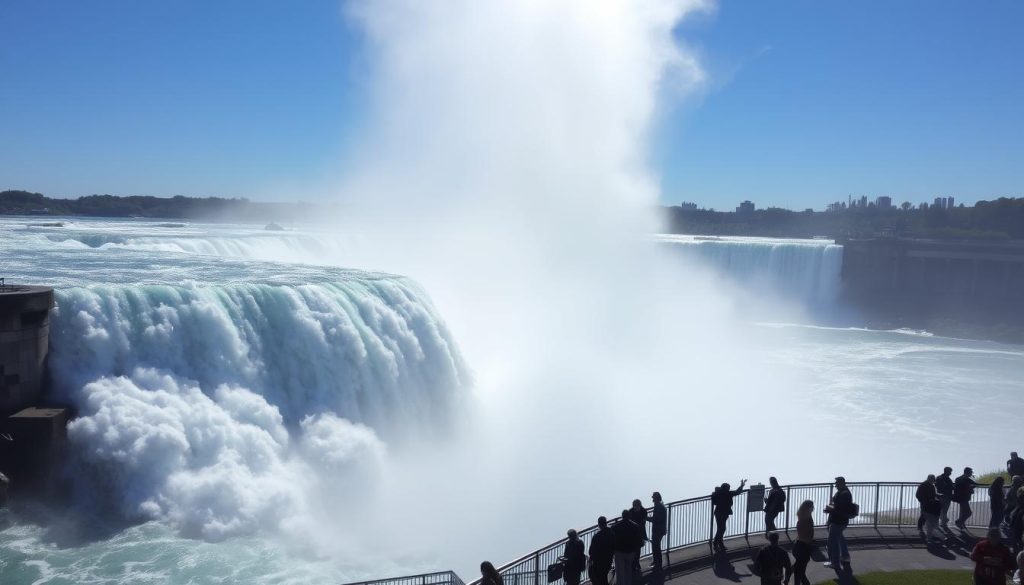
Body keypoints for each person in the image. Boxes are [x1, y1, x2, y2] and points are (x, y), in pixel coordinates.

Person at [823, 476, 855, 574]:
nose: (835, 485)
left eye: (836, 483)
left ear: (841, 483)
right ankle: (845, 557)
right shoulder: (843, 492)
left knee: (832, 542)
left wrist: (830, 510)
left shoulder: (844, 494)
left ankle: (835, 563)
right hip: (839, 520)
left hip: (838, 521)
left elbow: (840, 509)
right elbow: (838, 506)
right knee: (839, 538)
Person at [711, 479, 747, 551]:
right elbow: (737, 492)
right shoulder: (727, 493)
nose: (729, 489)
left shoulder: (717, 493)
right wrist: (742, 485)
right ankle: (716, 543)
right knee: (721, 529)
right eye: (728, 488)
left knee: (721, 528)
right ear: (726, 488)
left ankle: (719, 544)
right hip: (723, 513)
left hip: (718, 512)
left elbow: (714, 501)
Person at [612, 510, 641, 585]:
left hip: (619, 552)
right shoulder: (635, 526)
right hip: (631, 552)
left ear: (622, 516)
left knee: (620, 572)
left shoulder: (615, 527)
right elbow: (639, 541)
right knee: (628, 570)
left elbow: (612, 540)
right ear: (629, 516)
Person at [791, 500, 815, 585]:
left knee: (799, 572)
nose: (813, 508)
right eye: (812, 507)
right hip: (804, 548)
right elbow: (806, 536)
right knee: (800, 573)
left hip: (800, 547)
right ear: (808, 508)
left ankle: (788, 576)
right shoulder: (806, 520)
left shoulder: (802, 518)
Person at [588, 517, 616, 585]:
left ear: (599, 524)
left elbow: (591, 551)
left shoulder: (597, 536)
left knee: (600, 579)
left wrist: (591, 558)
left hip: (599, 561)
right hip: (608, 559)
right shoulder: (611, 533)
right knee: (604, 576)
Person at [916, 474, 943, 542]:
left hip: (929, 504)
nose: (934, 480)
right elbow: (918, 495)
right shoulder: (924, 485)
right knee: (925, 515)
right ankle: (921, 528)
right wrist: (925, 500)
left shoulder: (929, 485)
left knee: (925, 515)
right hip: (926, 503)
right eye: (933, 479)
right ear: (929, 479)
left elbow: (932, 494)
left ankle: (921, 528)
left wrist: (936, 495)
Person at [647, 492, 667, 573]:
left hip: (658, 530)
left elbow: (656, 519)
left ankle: (657, 563)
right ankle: (657, 562)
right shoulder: (660, 506)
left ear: (656, 498)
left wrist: (647, 518)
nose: (652, 499)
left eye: (653, 498)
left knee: (656, 547)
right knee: (656, 546)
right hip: (660, 530)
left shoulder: (659, 507)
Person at [629, 499, 648, 572]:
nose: (636, 508)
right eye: (635, 506)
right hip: (633, 534)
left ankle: (636, 563)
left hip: (640, 533)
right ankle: (635, 563)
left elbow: (643, 522)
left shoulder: (643, 511)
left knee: (638, 549)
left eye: (637, 506)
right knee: (634, 549)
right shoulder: (631, 511)